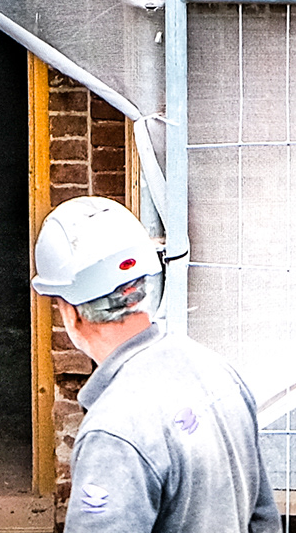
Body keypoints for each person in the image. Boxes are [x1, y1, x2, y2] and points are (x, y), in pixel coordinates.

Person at [31, 196, 275, 533]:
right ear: (140, 289)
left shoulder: (114, 432)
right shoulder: (217, 371)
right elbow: (263, 519)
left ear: (70, 313)